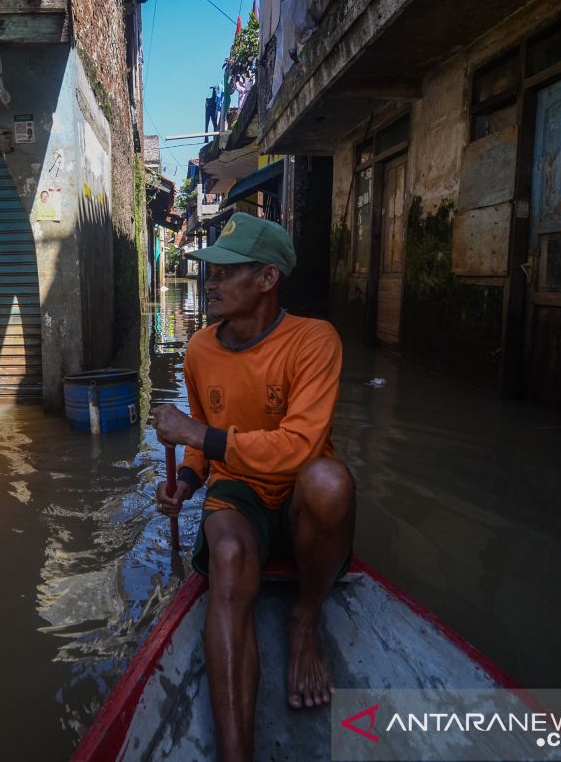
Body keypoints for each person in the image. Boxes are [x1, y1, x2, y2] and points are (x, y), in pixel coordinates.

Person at [150, 212, 355, 762]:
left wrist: (199, 433)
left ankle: (305, 617)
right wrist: (187, 483)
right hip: (238, 491)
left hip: (298, 496)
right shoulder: (198, 350)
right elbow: (203, 447)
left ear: (267, 279)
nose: (209, 284)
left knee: (330, 481)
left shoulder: (314, 341)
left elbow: (299, 448)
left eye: (225, 273)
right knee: (231, 551)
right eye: (208, 273)